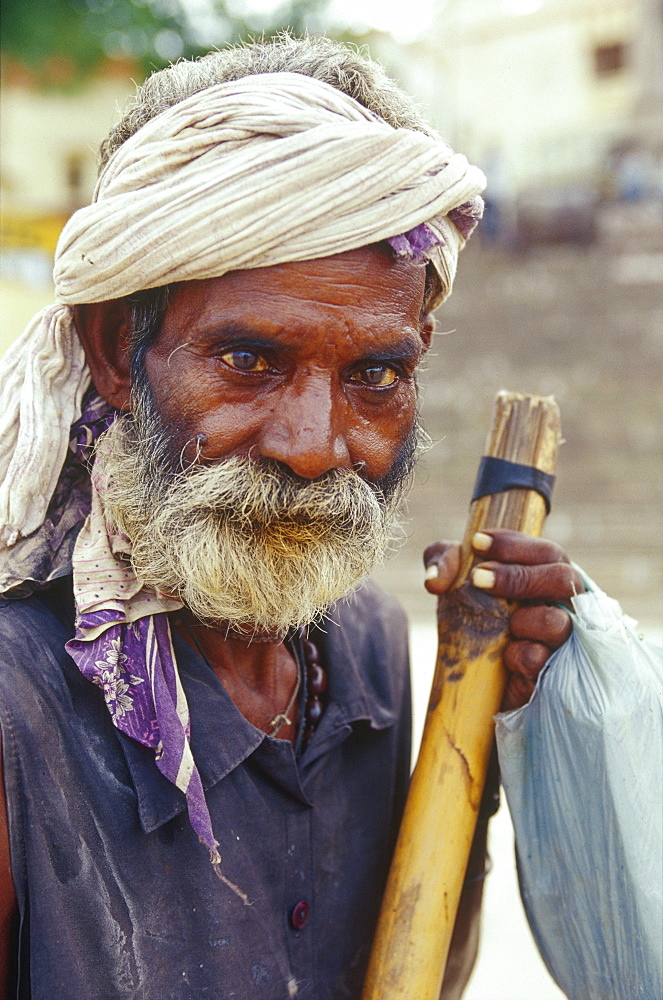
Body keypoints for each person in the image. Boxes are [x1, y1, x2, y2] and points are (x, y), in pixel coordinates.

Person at [0, 35, 583, 1000]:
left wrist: (473, 726)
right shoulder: (18, 712)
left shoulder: (371, 650)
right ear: (114, 351)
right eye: (248, 361)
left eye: (376, 375)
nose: (314, 445)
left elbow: (416, 975)